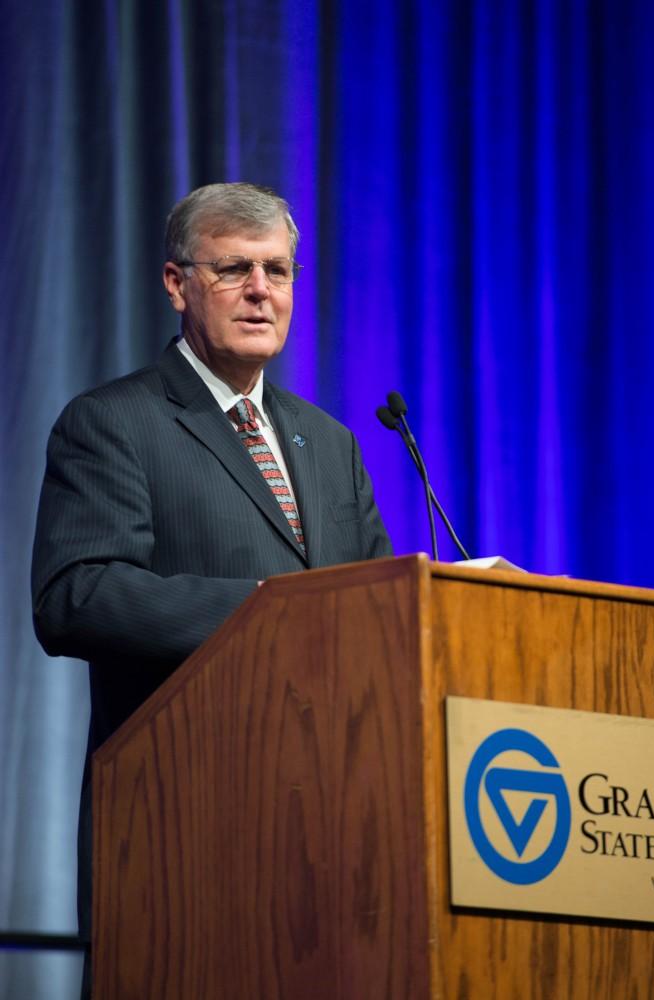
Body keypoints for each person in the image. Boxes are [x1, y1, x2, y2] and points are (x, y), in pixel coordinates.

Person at [31, 182, 392, 995]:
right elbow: (76, 596)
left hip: (338, 835)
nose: (262, 291)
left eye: (279, 271)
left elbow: (377, 614)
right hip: (182, 827)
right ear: (176, 282)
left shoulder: (331, 443)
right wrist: (272, 614)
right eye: (234, 269)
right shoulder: (115, 422)